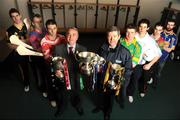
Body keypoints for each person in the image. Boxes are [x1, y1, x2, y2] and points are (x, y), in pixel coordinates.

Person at [94, 26, 132, 120]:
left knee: (110, 98)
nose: (112, 39)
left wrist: (120, 81)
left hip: (113, 82)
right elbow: (97, 60)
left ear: (119, 36)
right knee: (100, 94)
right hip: (101, 78)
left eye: (114, 36)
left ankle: (108, 112)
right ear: (107, 37)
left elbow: (128, 70)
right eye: (109, 36)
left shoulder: (125, 52)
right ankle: (99, 106)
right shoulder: (102, 48)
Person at [54, 27, 87, 116]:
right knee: (63, 95)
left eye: (74, 35)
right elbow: (55, 63)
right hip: (64, 78)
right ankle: (62, 107)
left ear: (77, 37)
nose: (71, 37)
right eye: (68, 34)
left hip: (77, 77)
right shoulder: (58, 48)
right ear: (65, 36)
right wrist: (57, 70)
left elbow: (84, 65)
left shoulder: (83, 49)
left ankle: (78, 106)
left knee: (78, 94)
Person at [40, 19, 66, 107]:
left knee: (61, 81)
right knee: (51, 82)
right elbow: (47, 56)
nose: (53, 31)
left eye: (54, 28)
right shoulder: (44, 41)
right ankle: (52, 98)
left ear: (57, 27)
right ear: (47, 29)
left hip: (61, 63)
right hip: (50, 64)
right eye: (50, 29)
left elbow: (65, 51)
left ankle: (61, 96)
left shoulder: (62, 37)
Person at [135, 19, 162, 97]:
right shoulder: (134, 35)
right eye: (140, 26)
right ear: (138, 27)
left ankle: (143, 90)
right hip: (135, 61)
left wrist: (150, 64)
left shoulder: (151, 40)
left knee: (145, 78)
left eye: (144, 27)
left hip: (146, 62)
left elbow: (159, 54)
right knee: (133, 77)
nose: (142, 29)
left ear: (148, 28)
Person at [6, 8, 31, 92]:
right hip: (19, 53)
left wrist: (19, 41)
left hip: (30, 50)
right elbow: (9, 45)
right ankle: (26, 83)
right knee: (23, 69)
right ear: (11, 18)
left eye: (17, 15)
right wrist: (23, 42)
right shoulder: (9, 31)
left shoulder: (26, 25)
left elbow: (30, 38)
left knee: (32, 66)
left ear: (20, 15)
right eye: (13, 17)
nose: (16, 18)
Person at [120, 23, 142, 103]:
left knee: (134, 78)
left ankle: (130, 94)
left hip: (130, 67)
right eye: (127, 32)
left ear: (135, 33)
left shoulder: (137, 46)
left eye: (132, 32)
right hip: (119, 65)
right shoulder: (120, 41)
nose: (129, 35)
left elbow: (133, 63)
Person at [28, 14, 47, 97]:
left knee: (47, 72)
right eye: (36, 22)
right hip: (39, 56)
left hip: (46, 54)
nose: (39, 24)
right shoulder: (32, 35)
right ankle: (43, 89)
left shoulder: (44, 30)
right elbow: (36, 49)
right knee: (41, 74)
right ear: (33, 23)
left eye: (40, 22)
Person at [150, 22, 166, 88]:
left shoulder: (161, 41)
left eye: (159, 30)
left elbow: (158, 53)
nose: (157, 31)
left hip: (154, 60)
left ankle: (154, 84)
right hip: (145, 57)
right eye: (156, 29)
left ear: (162, 31)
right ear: (154, 29)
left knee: (154, 72)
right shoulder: (149, 36)